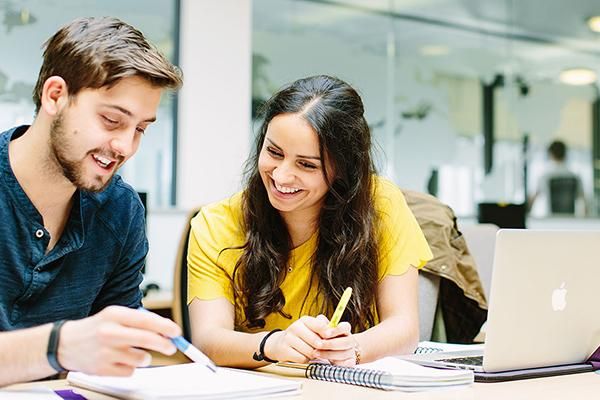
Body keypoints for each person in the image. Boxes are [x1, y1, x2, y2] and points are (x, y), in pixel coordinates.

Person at [187, 75, 433, 368]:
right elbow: (208, 340)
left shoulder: (380, 204)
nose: (281, 176)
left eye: (306, 165)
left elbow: (405, 329)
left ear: (343, 169)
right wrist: (273, 344)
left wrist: (352, 348)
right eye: (273, 152)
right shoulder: (215, 224)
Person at [0, 17, 183, 386]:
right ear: (55, 96)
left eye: (141, 129)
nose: (126, 147)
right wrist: (59, 346)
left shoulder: (121, 212)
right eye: (112, 120)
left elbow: (115, 358)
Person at [529, 140, 585, 216]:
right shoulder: (575, 177)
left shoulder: (544, 176)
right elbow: (583, 200)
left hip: (551, 221)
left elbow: (533, 199)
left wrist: (526, 214)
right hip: (571, 221)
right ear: (565, 154)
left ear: (551, 154)